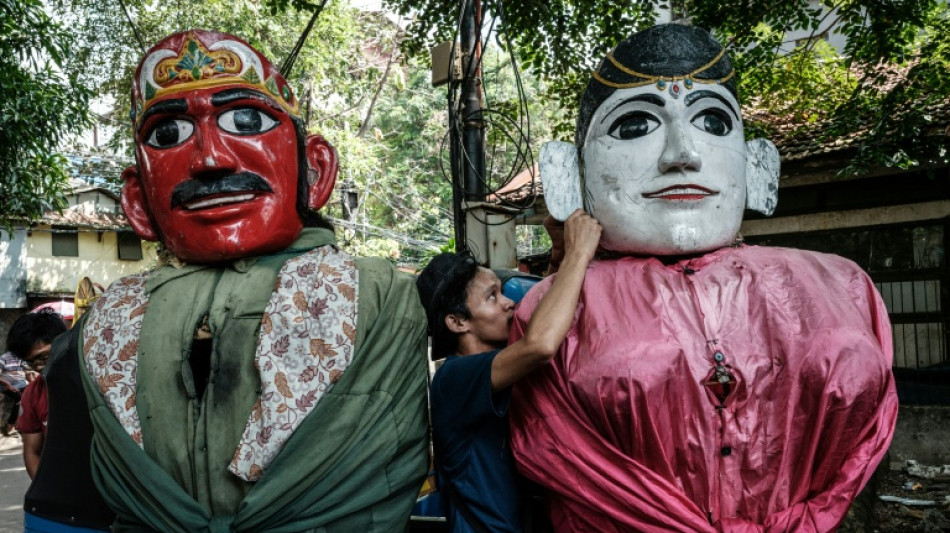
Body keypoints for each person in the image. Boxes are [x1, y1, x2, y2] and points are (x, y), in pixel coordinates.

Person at [509, 23, 898, 532]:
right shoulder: (555, 309)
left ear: (758, 163)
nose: (683, 154)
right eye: (634, 125)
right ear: (568, 172)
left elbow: (868, 429)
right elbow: (553, 445)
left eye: (713, 120)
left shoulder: (841, 284)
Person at [52, 30, 428, 531]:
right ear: (138, 200)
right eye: (168, 134)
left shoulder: (375, 290)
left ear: (314, 170)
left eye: (246, 122)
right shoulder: (113, 313)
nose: (211, 159)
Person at [416, 209, 602, 533]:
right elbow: (540, 344)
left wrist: (559, 255)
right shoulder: (454, 379)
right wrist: (578, 254)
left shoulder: (505, 365)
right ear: (457, 322)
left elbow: (546, 323)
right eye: (492, 296)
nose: (509, 303)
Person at [7, 309, 68, 479]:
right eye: (31, 362)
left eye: (43, 357)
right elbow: (32, 452)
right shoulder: (33, 394)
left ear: (63, 343)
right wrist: (47, 489)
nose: (39, 367)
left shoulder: (95, 382)